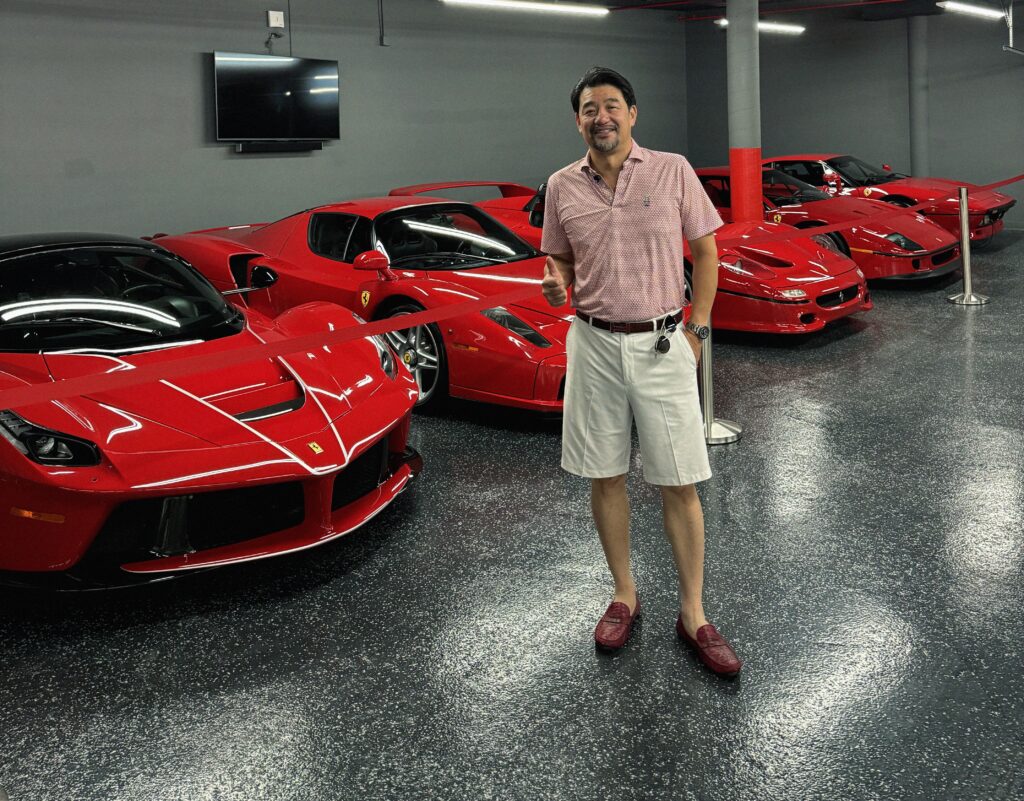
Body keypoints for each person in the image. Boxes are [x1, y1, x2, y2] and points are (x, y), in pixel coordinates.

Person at [540, 66, 741, 676]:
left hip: (662, 342)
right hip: (593, 345)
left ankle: (694, 612)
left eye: (611, 105)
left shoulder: (672, 170)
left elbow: (706, 251)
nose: (600, 117)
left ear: (632, 113)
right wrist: (556, 280)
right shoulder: (560, 185)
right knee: (605, 475)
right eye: (588, 109)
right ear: (577, 121)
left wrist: (698, 328)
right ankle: (624, 594)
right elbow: (560, 258)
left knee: (679, 480)